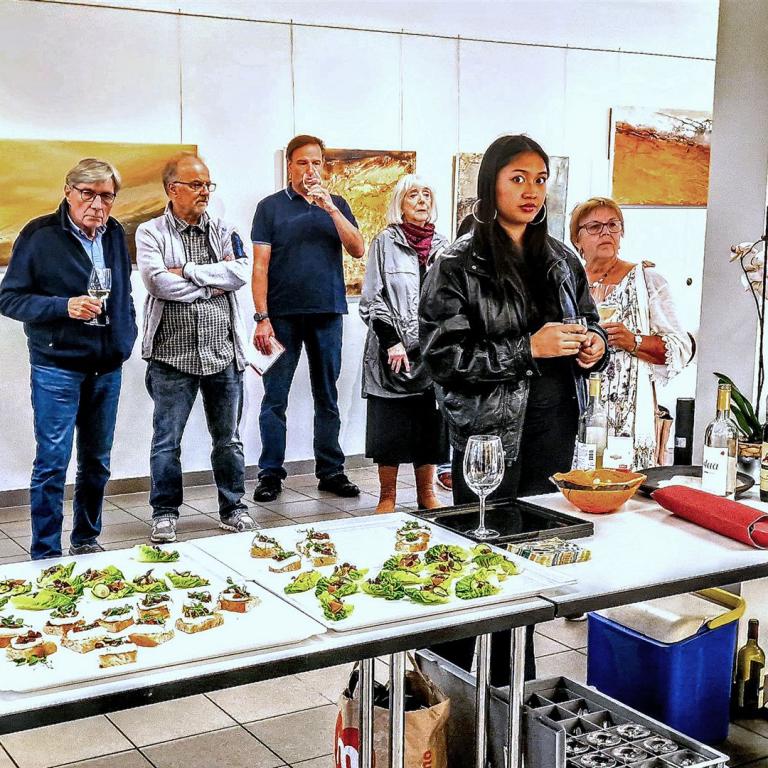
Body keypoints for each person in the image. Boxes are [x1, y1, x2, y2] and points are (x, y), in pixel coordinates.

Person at [419, 134, 608, 684]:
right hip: (488, 437)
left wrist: (593, 347)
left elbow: (589, 321)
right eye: (518, 178)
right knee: (482, 567)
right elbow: (442, 358)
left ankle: (514, 689)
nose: (531, 191)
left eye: (540, 180)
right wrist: (529, 348)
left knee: (531, 569)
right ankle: (456, 688)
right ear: (491, 184)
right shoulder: (457, 262)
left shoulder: (562, 259)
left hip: (554, 429)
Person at [0, 158, 137, 559]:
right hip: (56, 366)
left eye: (107, 196)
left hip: (106, 366)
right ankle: (45, 551)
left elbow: (123, 292)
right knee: (52, 463)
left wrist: (125, 337)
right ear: (68, 192)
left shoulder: (114, 232)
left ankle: (86, 539)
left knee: (97, 462)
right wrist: (64, 306)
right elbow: (9, 298)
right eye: (88, 194)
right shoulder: (39, 235)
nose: (97, 204)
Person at [136, 153, 255, 544]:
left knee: (229, 439)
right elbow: (157, 282)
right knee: (166, 442)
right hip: (171, 357)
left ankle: (233, 508)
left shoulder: (225, 229)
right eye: (196, 185)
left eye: (207, 184)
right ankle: (165, 513)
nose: (205, 191)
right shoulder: (150, 232)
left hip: (223, 354)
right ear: (173, 189)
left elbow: (239, 272)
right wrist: (211, 284)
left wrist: (187, 271)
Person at [250, 134, 366, 502]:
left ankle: (331, 471)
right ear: (290, 166)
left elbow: (358, 248)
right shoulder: (270, 207)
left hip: (327, 312)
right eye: (303, 162)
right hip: (281, 316)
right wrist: (261, 317)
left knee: (327, 396)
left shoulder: (337, 204)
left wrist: (330, 208)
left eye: (316, 162)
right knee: (275, 398)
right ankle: (270, 474)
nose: (310, 169)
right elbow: (260, 266)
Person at [570, 196, 693, 468]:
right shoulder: (565, 283)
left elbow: (680, 347)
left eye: (613, 225)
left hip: (628, 419)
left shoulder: (646, 281)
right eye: (595, 227)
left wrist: (633, 341)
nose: (606, 232)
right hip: (573, 413)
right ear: (577, 239)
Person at [359, 175, 449, 512]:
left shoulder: (444, 246)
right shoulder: (385, 242)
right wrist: (392, 341)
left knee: (429, 427)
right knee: (390, 428)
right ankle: (387, 497)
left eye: (426, 194)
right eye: (413, 195)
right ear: (400, 203)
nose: (422, 200)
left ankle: (427, 494)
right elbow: (372, 298)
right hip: (392, 351)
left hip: (431, 352)